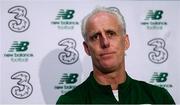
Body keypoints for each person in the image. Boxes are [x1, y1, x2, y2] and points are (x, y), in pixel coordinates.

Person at [56, 6, 175, 104]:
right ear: (87, 48)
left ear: (126, 42)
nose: (105, 42)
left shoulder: (159, 97)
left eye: (111, 33)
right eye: (95, 37)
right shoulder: (69, 102)